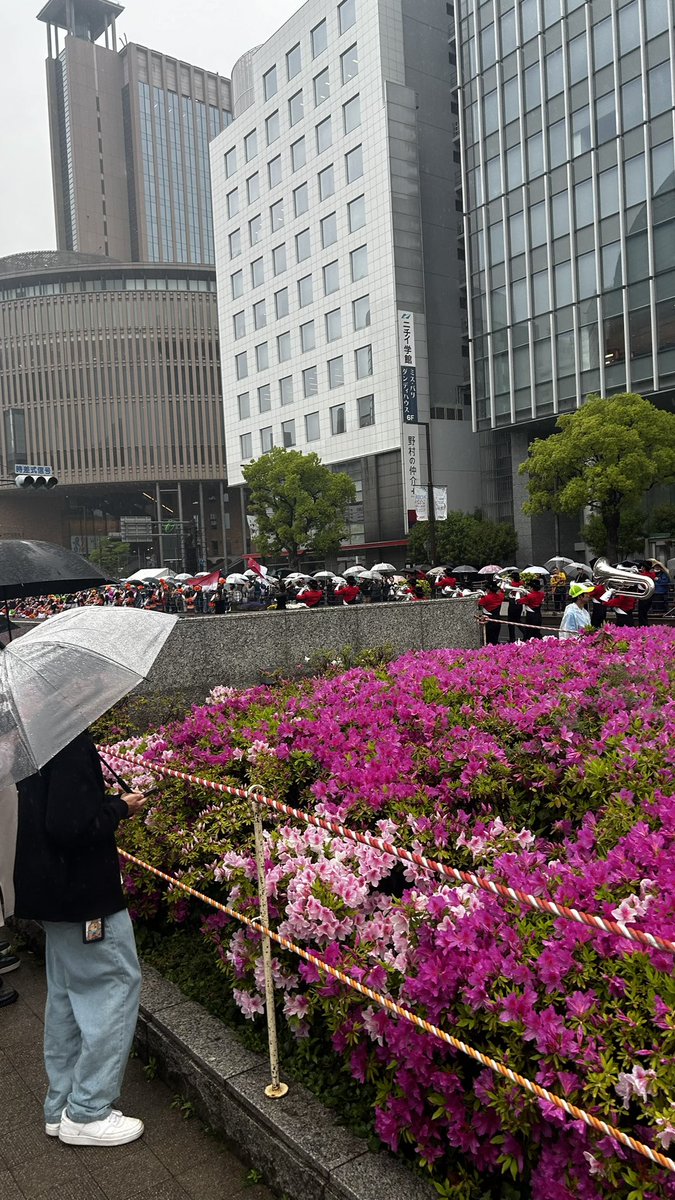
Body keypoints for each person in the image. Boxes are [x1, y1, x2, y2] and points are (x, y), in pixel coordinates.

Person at [13, 731, 148, 1147]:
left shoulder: (30, 736)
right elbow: (69, 826)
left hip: (49, 891)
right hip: (83, 896)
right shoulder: (66, 739)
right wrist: (119, 808)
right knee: (116, 985)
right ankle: (88, 1111)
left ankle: (62, 1106)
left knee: (68, 997)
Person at [477, 580, 505, 645]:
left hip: (489, 620)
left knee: (489, 639)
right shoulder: (501, 596)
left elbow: (479, 603)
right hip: (498, 618)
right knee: (495, 638)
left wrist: (482, 596)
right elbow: (502, 592)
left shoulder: (486, 598)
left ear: (488, 589)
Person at [505, 572, 525, 642]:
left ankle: (512, 638)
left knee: (510, 622)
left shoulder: (512, 584)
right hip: (519, 603)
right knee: (518, 620)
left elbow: (505, 590)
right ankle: (525, 634)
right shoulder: (521, 583)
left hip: (513, 602)